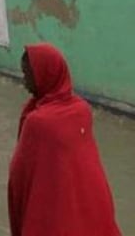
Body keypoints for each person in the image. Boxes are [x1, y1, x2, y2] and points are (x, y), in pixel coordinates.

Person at [8, 44, 121, 236]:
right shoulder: (81, 109)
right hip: (93, 203)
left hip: (55, 214)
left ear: (46, 75)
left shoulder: (38, 121)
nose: (24, 82)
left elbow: (19, 179)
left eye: (28, 75)